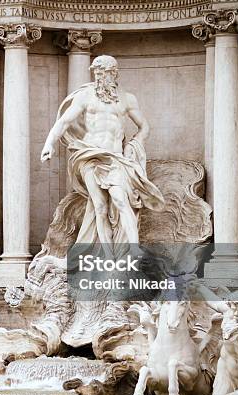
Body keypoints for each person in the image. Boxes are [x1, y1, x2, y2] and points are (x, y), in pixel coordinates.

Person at [40, 55, 164, 250]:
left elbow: (144, 126)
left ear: (114, 73)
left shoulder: (127, 99)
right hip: (90, 155)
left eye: (102, 73)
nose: (98, 77)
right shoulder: (85, 96)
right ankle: (108, 257)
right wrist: (49, 143)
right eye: (96, 73)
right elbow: (64, 121)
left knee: (121, 200)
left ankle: (134, 251)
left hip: (115, 158)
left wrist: (135, 143)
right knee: (100, 207)